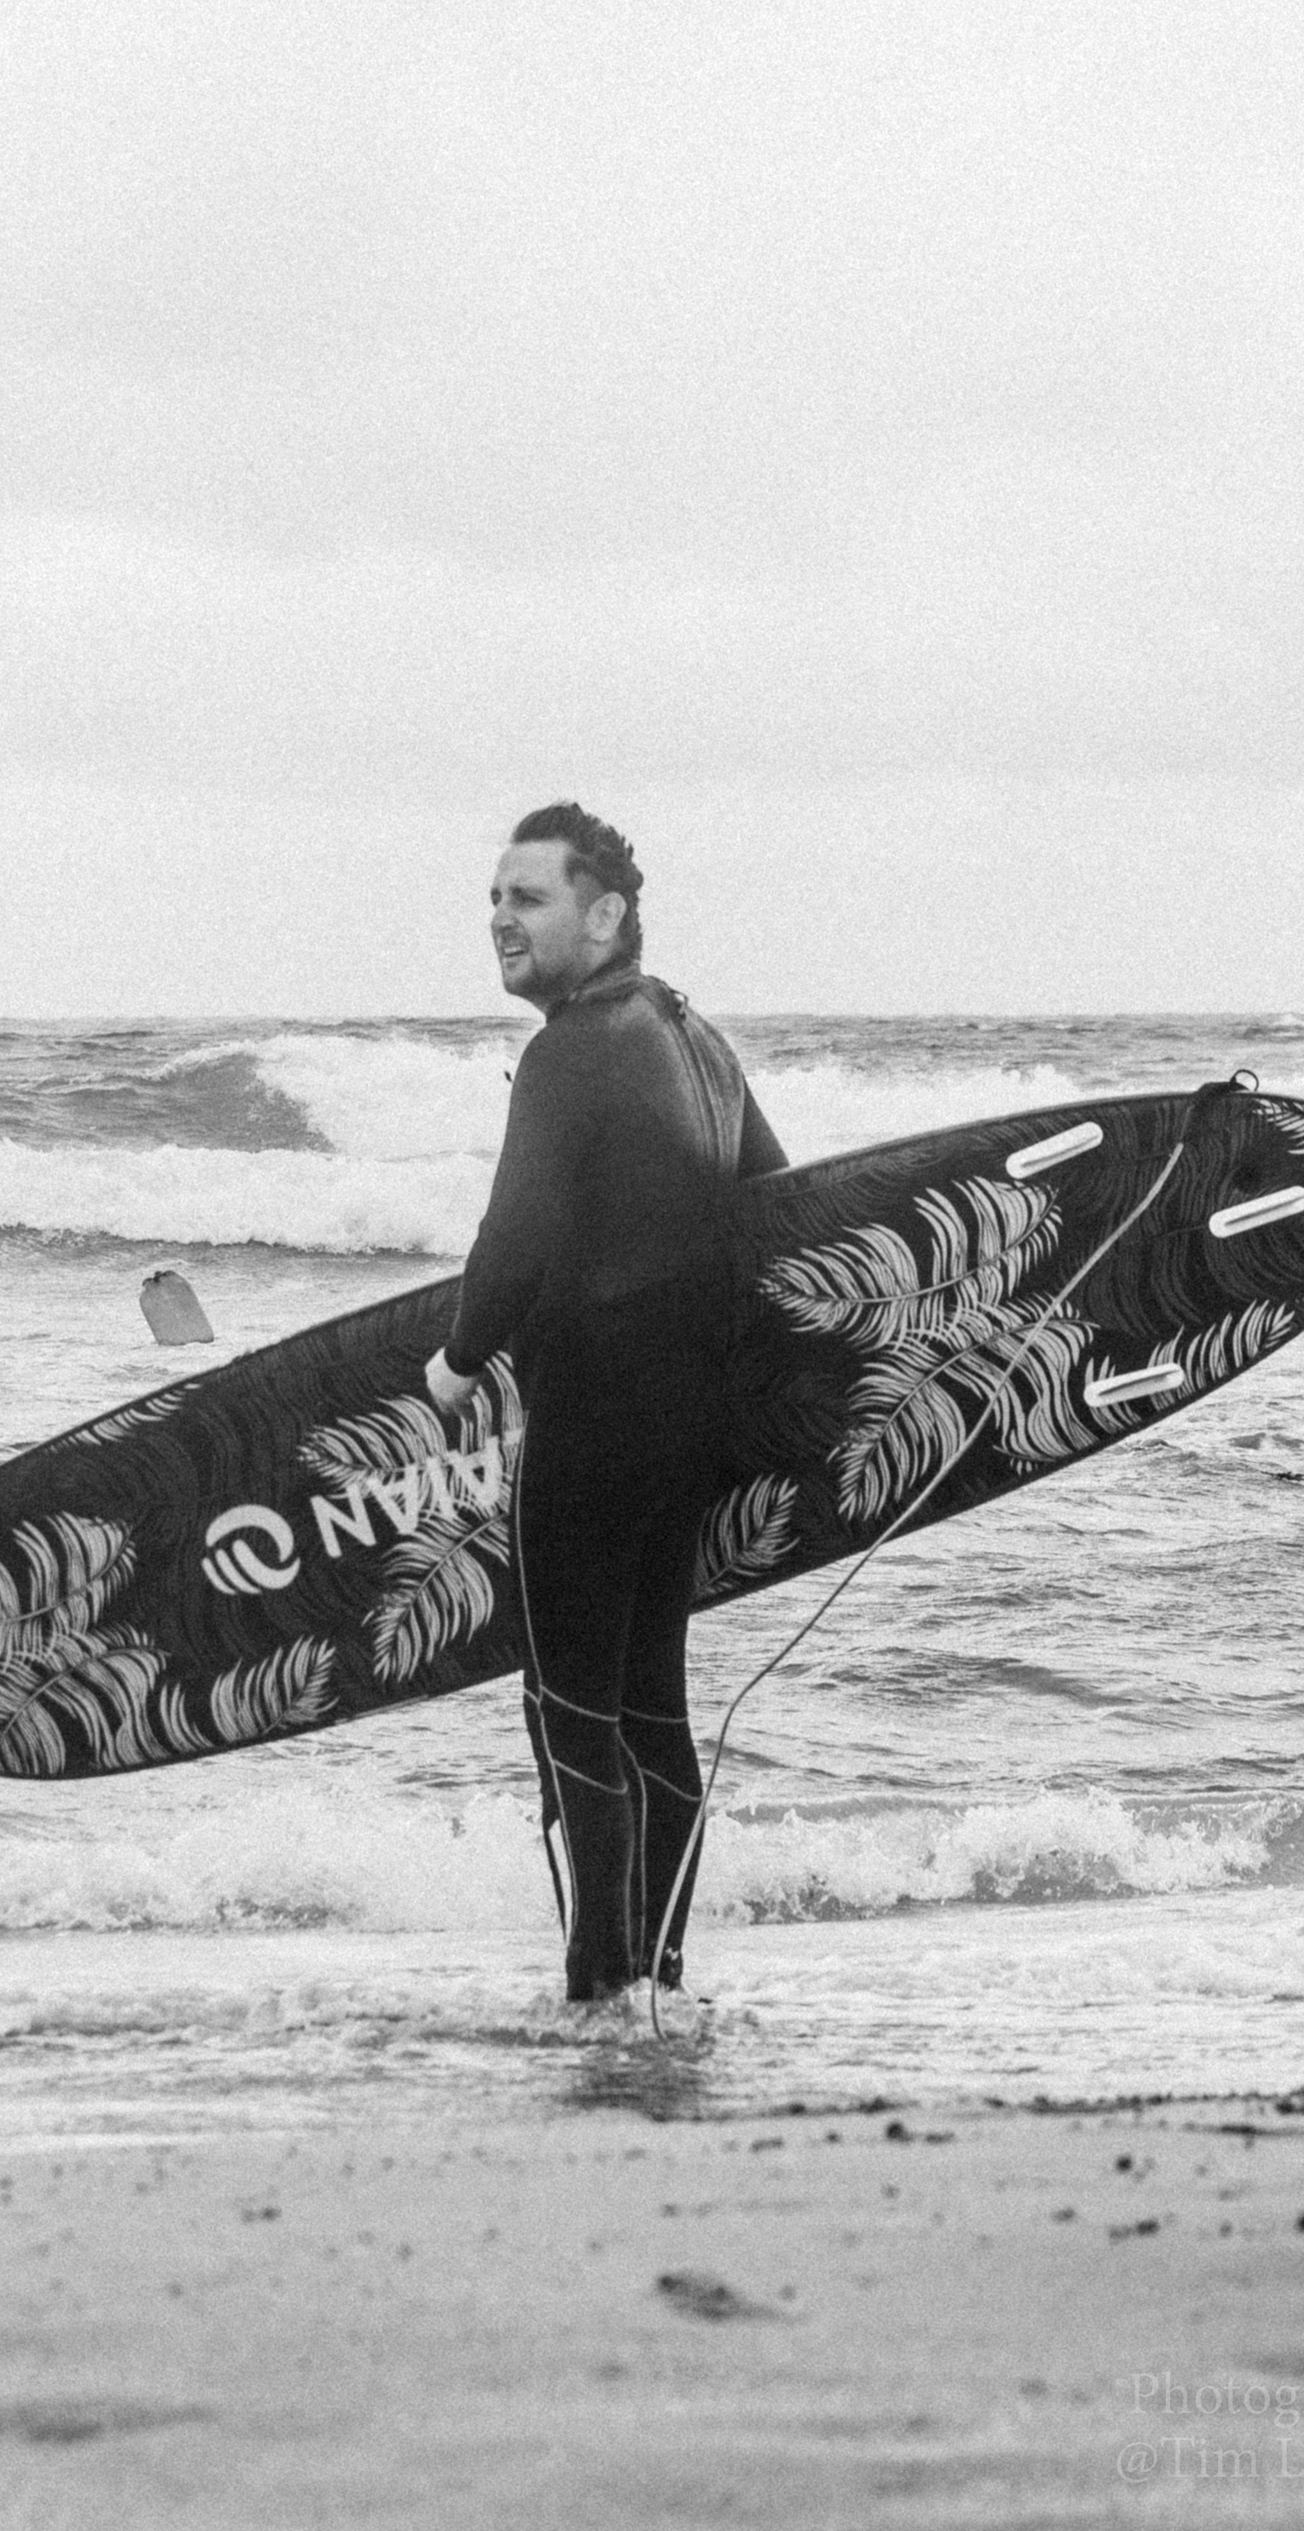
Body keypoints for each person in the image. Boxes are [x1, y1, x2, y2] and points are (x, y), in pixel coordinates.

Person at [425, 804, 786, 2000]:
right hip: (688, 1426)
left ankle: (598, 1991)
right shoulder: (694, 1036)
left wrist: (459, 1360)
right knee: (649, 1709)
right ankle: (656, 1980)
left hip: (588, 1421)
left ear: (604, 914)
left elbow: (515, 1231)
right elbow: (776, 1203)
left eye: (527, 898)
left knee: (572, 1710)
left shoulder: (570, 1048)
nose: (500, 920)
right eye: (494, 898)